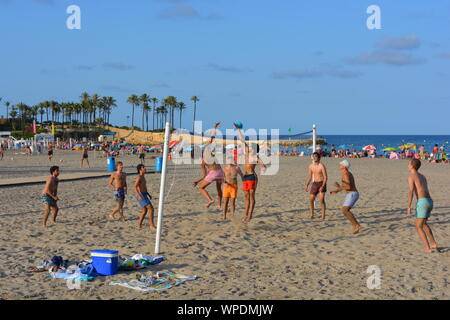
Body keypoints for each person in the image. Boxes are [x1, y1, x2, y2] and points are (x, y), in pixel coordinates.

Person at [234, 123, 267, 223]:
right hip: (245, 177)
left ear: (255, 149)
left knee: (252, 196)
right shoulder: (247, 153)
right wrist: (238, 130)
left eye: (251, 147)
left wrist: (262, 168)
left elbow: (263, 165)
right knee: (246, 196)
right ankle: (245, 214)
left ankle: (250, 215)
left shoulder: (256, 157)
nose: (249, 148)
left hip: (252, 177)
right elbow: (242, 140)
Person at [407, 159, 438, 253]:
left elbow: (411, 192)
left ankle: (427, 248)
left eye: (409, 164)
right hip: (429, 201)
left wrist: (408, 206)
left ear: (412, 166)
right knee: (424, 224)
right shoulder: (422, 176)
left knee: (418, 226)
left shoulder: (411, 176)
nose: (408, 165)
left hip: (423, 202)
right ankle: (433, 243)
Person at [192, 122, 224, 209]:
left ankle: (210, 200)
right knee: (218, 189)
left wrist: (197, 182)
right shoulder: (207, 149)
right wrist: (214, 127)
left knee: (201, 188)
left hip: (213, 172)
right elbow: (212, 137)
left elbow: (204, 175)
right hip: (220, 172)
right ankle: (219, 205)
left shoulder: (202, 162)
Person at [330, 160, 361, 234]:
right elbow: (345, 187)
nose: (339, 165)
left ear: (344, 166)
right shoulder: (346, 173)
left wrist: (336, 191)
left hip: (352, 194)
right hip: (351, 194)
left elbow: (348, 186)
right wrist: (338, 186)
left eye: (340, 164)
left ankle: (356, 225)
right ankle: (355, 225)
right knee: (345, 211)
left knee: (345, 210)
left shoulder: (345, 174)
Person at [305, 152, 328, 219]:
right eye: (313, 156)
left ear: (319, 158)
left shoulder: (321, 166)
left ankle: (323, 216)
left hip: (322, 183)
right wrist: (307, 185)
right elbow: (309, 176)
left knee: (321, 200)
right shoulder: (311, 166)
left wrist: (323, 186)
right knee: (311, 199)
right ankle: (312, 214)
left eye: (316, 156)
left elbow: (325, 177)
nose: (314, 158)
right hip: (315, 183)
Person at [134, 164, 156, 230]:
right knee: (151, 209)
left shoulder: (143, 177)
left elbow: (144, 187)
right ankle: (151, 225)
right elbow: (135, 187)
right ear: (140, 169)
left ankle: (139, 225)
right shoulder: (139, 177)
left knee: (144, 211)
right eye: (143, 167)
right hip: (140, 195)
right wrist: (139, 196)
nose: (145, 168)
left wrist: (148, 194)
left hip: (144, 194)